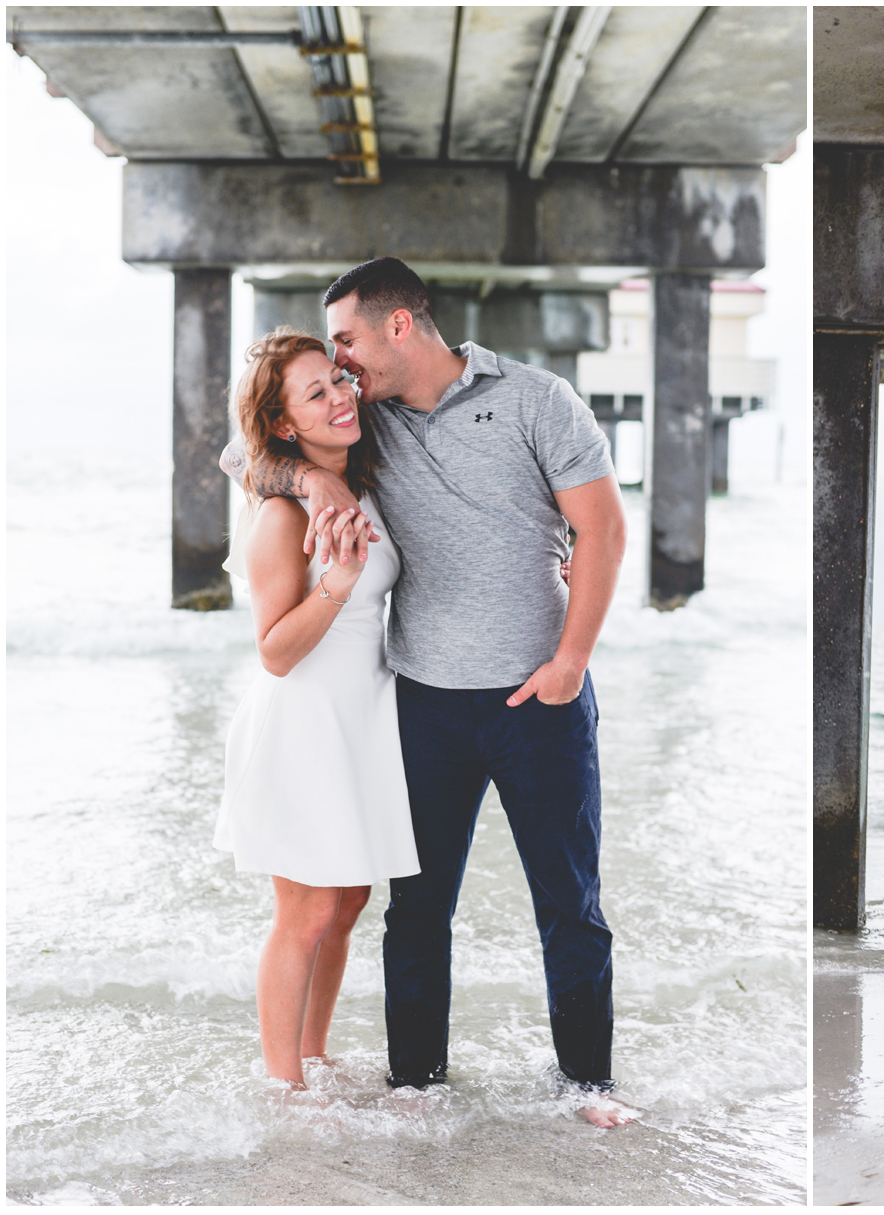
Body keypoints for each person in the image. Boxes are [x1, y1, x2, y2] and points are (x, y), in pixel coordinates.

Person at [221, 257, 633, 1128]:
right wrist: (313, 478)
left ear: (398, 326)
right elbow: (247, 446)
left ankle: (589, 1087)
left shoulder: (536, 398)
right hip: (422, 704)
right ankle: (417, 1086)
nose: (343, 369)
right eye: (331, 361)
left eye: (348, 345)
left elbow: (602, 527)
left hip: (541, 699)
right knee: (415, 912)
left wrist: (571, 659)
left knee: (569, 902)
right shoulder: (365, 422)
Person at [214, 329, 421, 1090]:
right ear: (283, 424)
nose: (340, 397)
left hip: (363, 717)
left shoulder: (359, 476)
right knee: (303, 913)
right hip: (303, 722)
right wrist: (336, 577)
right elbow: (274, 649)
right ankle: (283, 1087)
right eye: (315, 393)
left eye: (338, 380)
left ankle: (314, 1053)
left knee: (348, 901)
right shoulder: (280, 515)